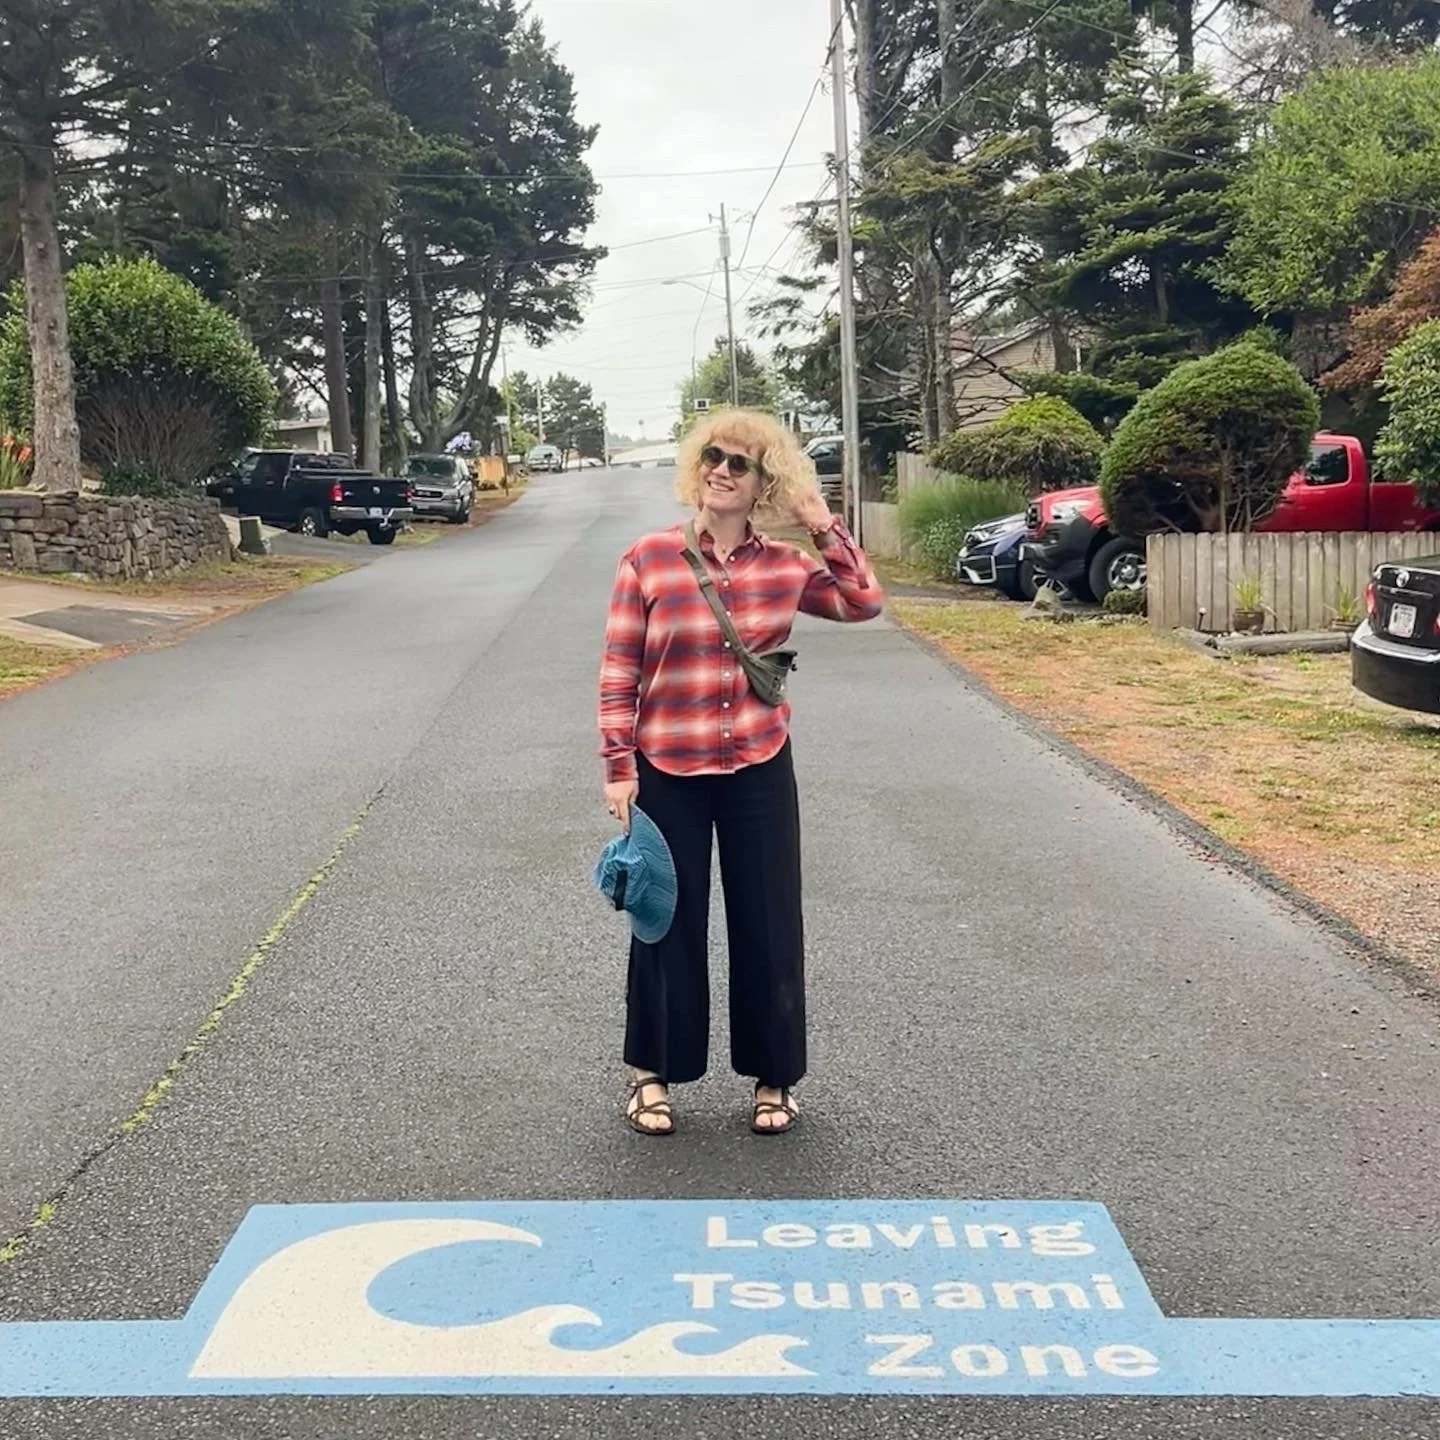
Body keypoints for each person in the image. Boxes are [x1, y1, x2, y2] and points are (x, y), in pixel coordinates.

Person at [597, 408, 884, 1136]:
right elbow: (620, 668)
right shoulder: (649, 559)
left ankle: (774, 1078)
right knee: (664, 919)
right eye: (713, 457)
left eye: (740, 464)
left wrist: (822, 524)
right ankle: (651, 1074)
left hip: (758, 762)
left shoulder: (785, 567)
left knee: (769, 921)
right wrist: (618, 766)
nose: (722, 471)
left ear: (764, 483)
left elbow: (862, 602)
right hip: (667, 763)